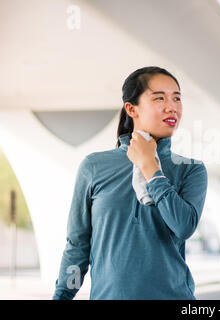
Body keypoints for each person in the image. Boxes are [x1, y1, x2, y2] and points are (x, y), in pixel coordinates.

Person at [53, 66, 208, 300]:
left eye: (177, 98)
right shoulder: (94, 166)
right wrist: (62, 296)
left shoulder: (191, 169)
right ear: (131, 108)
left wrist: (151, 168)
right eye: (159, 98)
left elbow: (184, 226)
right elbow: (77, 246)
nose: (172, 106)